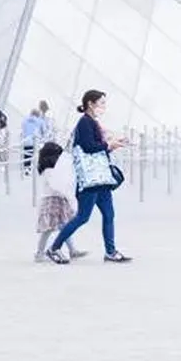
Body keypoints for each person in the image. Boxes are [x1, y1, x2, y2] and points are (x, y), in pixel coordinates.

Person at [44, 90, 132, 264]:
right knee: (83, 216)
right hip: (91, 179)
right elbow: (89, 147)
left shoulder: (92, 122)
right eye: (101, 103)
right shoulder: (85, 123)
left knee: (109, 214)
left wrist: (113, 145)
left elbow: (96, 146)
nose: (104, 107)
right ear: (90, 104)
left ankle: (111, 251)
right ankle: (54, 248)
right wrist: (109, 145)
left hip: (100, 179)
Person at [33, 142, 86, 263]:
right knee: (48, 229)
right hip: (51, 200)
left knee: (64, 226)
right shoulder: (49, 170)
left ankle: (72, 250)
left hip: (59, 200)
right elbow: (56, 185)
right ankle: (39, 253)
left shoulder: (52, 170)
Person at [21, 109, 45, 174]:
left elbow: (22, 128)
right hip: (35, 141)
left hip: (25, 140)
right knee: (33, 155)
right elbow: (44, 131)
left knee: (26, 154)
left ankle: (26, 168)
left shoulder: (25, 119)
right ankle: (30, 169)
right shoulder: (40, 121)